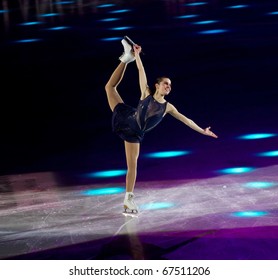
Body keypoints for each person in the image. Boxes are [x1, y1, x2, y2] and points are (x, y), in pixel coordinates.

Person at [104, 37, 218, 214]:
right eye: (166, 83)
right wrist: (136, 55)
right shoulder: (145, 92)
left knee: (132, 166)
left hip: (134, 133)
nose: (169, 87)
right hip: (126, 118)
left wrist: (202, 130)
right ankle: (126, 59)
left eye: (170, 85)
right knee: (110, 87)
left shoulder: (168, 107)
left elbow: (186, 120)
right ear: (157, 86)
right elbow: (141, 70)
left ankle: (128, 200)